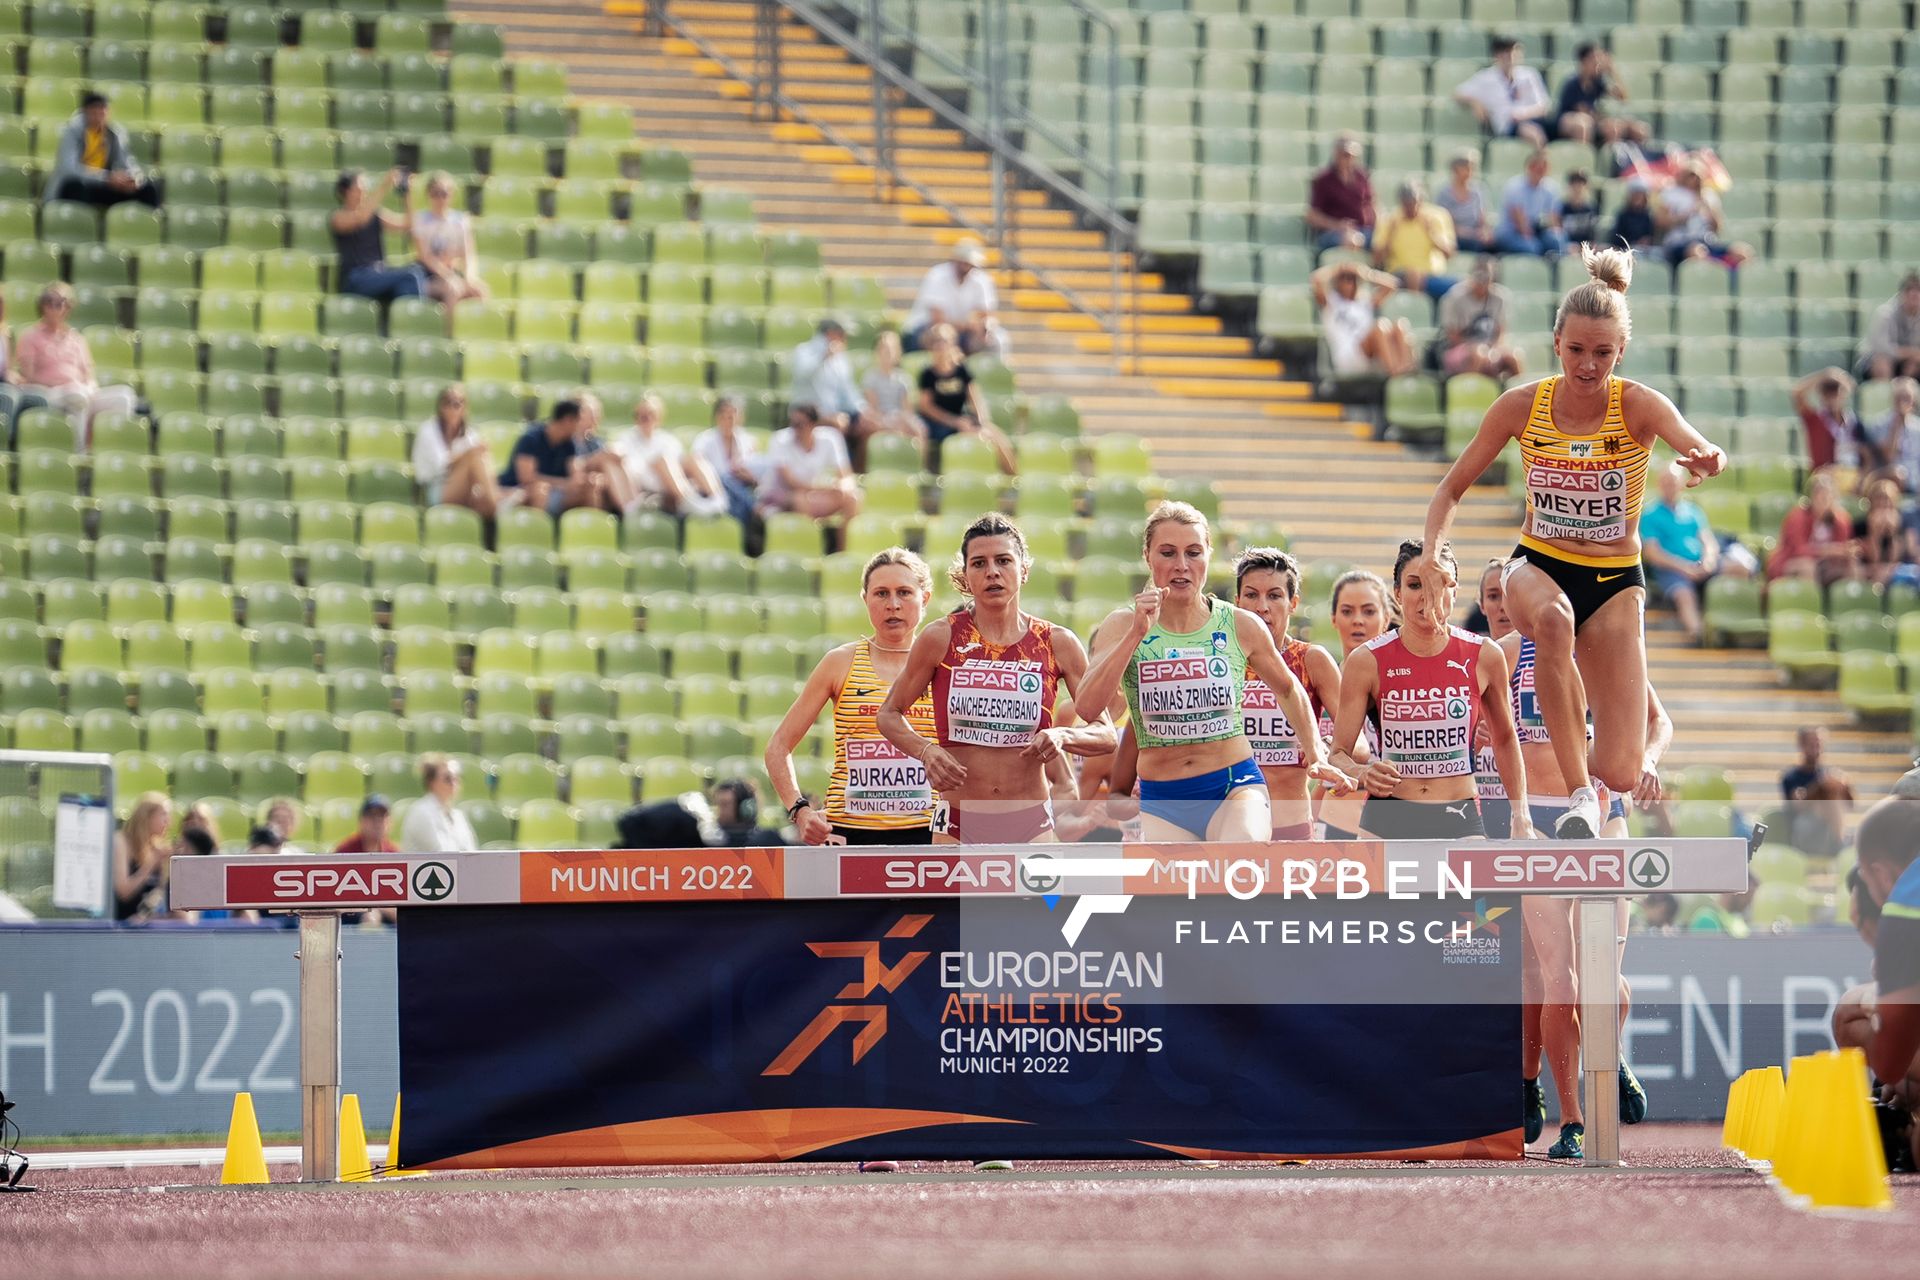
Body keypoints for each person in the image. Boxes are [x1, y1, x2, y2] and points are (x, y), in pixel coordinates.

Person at [1413, 244, 1727, 840]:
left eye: (1603, 353)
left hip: (1613, 583)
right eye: (1577, 350)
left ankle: (1599, 782)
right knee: (1553, 622)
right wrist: (1432, 554)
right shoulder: (1521, 406)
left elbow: (1695, 440)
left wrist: (1709, 456)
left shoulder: (1636, 405)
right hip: (1538, 563)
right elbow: (1450, 490)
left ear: (1621, 352)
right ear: (1556, 342)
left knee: (1625, 769)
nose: (1588, 365)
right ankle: (1580, 793)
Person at [1497, 623, 1671, 1158]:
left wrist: (1647, 759)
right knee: (1560, 980)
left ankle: (1610, 1055)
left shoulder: (1608, 649)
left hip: (1604, 815)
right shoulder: (1505, 652)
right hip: (1539, 822)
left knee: (1607, 979)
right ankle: (1572, 1118)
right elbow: (1483, 726)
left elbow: (1658, 720)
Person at [1076, 503, 1349, 843]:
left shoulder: (1240, 624)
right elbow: (1088, 708)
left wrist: (1315, 753)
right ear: (1147, 555)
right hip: (1163, 798)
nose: (1181, 566)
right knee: (1183, 892)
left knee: (1241, 855)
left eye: (1193, 553)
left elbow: (1288, 689)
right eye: (1167, 553)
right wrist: (1135, 634)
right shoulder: (1120, 625)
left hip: (1234, 785)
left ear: (1208, 555)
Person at [878, 514, 1112, 844]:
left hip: (1032, 824)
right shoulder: (941, 637)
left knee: (1049, 898)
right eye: (979, 563)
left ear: (1024, 569)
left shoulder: (1057, 642)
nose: (992, 572)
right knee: (947, 899)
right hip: (957, 824)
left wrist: (1062, 736)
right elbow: (888, 714)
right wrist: (926, 751)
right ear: (965, 575)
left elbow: (1105, 733)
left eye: (1003, 560)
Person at [1329, 538, 1528, 847]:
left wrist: (1521, 815)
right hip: (1387, 816)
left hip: (1458, 814)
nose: (1429, 595)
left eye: (1440, 583)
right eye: (1415, 585)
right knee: (1383, 897)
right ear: (1397, 593)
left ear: (1455, 590)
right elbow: (1338, 754)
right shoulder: (1366, 661)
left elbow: (1505, 739)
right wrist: (1362, 773)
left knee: (1461, 895)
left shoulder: (1485, 655)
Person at [767, 548, 938, 845]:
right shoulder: (840, 662)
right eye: (881, 594)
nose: (893, 605)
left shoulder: (943, 665)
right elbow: (778, 747)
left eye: (905, 593)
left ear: (925, 598)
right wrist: (800, 810)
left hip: (929, 832)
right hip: (849, 833)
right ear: (865, 599)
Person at [1234, 548, 1342, 840]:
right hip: (1228, 827)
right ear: (1237, 602)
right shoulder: (1220, 662)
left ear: (1293, 603)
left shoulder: (1311, 660)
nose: (1262, 606)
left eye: (1274, 595)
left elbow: (1355, 743)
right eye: (1252, 595)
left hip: (1290, 826)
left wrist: (1323, 747)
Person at [1840, 791, 1920, 1167]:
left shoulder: (1905, 903)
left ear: (1881, 874)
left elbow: (1890, 1062)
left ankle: (1905, 1126)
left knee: (1851, 1009)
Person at [1316, 570, 1393, 841]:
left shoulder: (1402, 688)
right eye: (1347, 611)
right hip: (1330, 826)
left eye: (1369, 611)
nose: (1358, 620)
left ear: (1387, 617)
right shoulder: (1320, 682)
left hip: (1384, 826)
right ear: (1333, 618)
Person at [12, 282, 137, 447]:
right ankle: (79, 452)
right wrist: (68, 385)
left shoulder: (76, 338)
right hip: (49, 393)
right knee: (76, 394)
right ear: (43, 305)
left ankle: (111, 449)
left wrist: (90, 387)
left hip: (80, 392)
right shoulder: (30, 336)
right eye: (52, 302)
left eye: (64, 302)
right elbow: (29, 376)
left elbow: (88, 374)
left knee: (124, 396)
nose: (59, 307)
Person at [1641, 461, 1752, 642]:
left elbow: (1708, 540)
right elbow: (1653, 553)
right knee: (1684, 595)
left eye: (1674, 482)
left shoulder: (1693, 511)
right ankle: (1698, 635)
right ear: (1659, 484)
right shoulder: (1650, 514)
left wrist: (1709, 561)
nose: (1670, 486)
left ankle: (1737, 624)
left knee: (1741, 568)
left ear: (1681, 484)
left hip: (1699, 565)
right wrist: (1684, 568)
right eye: (1666, 482)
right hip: (1672, 570)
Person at [916, 323, 1015, 474]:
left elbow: (974, 397)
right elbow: (926, 407)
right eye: (936, 342)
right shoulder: (928, 374)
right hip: (939, 424)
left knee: (996, 435)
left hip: (959, 419)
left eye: (943, 341)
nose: (940, 346)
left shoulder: (961, 370)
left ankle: (1014, 477)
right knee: (979, 436)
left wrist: (981, 421)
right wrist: (954, 422)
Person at [498, 399, 618, 517]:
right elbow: (527, 478)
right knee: (540, 490)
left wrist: (587, 480)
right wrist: (564, 484)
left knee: (589, 489)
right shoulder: (531, 438)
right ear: (568, 420)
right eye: (578, 420)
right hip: (519, 490)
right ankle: (537, 532)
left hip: (556, 493)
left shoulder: (570, 443)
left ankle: (588, 532)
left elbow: (575, 473)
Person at [614, 392, 726, 517]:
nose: (647, 419)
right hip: (648, 490)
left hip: (675, 486)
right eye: (642, 415)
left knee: (693, 458)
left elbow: (680, 467)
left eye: (651, 415)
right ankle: (689, 504)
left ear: (659, 417)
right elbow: (632, 471)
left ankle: (718, 500)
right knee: (662, 462)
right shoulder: (626, 439)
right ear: (636, 417)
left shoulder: (668, 440)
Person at [44, 92, 160, 209]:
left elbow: (127, 163)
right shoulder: (72, 131)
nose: (99, 115)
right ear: (85, 112)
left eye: (102, 110)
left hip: (103, 185)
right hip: (81, 184)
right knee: (75, 188)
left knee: (147, 189)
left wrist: (134, 177)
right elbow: (69, 169)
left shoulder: (115, 133)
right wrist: (107, 177)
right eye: (94, 110)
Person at [330, 168, 425, 304]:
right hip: (355, 278)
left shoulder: (374, 215)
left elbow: (408, 224)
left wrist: (407, 194)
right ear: (346, 191)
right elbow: (361, 218)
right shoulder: (338, 217)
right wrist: (385, 184)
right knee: (409, 275)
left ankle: (403, 322)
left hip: (378, 274)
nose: (364, 192)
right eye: (359, 189)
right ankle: (412, 322)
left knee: (411, 278)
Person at [412, 385, 506, 519]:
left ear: (465, 408)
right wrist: (468, 454)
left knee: (480, 457)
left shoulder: (470, 433)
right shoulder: (428, 431)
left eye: (458, 403)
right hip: (436, 488)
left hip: (468, 489)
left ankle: (496, 504)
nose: (452, 407)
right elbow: (441, 466)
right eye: (447, 403)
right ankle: (498, 503)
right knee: (475, 455)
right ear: (440, 407)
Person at [759, 403, 861, 521]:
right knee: (800, 501)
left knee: (852, 497)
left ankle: (844, 540)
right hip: (778, 496)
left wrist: (844, 487)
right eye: (792, 423)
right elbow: (792, 483)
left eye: (799, 424)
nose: (794, 428)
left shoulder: (830, 438)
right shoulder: (780, 440)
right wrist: (826, 488)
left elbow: (845, 475)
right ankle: (806, 539)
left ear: (813, 424)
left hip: (809, 493)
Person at [1311, 262, 1413, 379]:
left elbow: (1393, 285)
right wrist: (1339, 268)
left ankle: (1406, 369)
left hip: (1370, 353)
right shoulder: (1331, 302)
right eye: (1344, 279)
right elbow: (1316, 279)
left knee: (1399, 325)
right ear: (1337, 282)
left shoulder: (1364, 302)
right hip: (1348, 356)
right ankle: (1395, 374)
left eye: (1352, 279)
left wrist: (1367, 274)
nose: (1349, 283)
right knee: (1379, 327)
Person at [904, 238, 1002, 355]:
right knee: (942, 337)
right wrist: (972, 326)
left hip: (958, 331)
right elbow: (937, 321)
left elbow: (987, 315)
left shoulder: (980, 280)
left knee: (997, 339)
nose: (966, 266)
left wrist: (985, 328)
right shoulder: (938, 276)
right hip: (924, 328)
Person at [1454, 37, 1552, 147]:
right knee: (1531, 133)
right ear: (1496, 55)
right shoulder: (1486, 78)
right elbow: (1458, 93)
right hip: (1508, 127)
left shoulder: (1530, 74)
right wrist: (1475, 102)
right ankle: (1543, 160)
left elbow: (1543, 106)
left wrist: (1522, 114)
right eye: (1505, 52)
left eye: (1514, 51)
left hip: (1535, 121)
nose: (1510, 56)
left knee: (1568, 125)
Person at [410, 171, 487, 309]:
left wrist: (470, 277)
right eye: (435, 193)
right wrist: (448, 275)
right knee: (452, 290)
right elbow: (424, 256)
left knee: (480, 290)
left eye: (444, 193)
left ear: (451, 195)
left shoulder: (461, 221)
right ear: (428, 195)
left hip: (453, 273)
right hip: (429, 277)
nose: (440, 199)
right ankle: (451, 331)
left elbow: (468, 254)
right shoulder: (420, 220)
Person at [1768, 470, 1859, 586]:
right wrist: (1828, 551)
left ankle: (1848, 601)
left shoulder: (1841, 520)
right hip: (1790, 562)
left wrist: (1848, 552)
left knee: (1852, 565)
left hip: (1825, 565)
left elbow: (1842, 548)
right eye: (1820, 495)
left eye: (1828, 496)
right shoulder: (1797, 517)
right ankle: (1810, 602)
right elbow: (1798, 550)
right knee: (1808, 566)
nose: (1824, 500)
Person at [1437, 260, 1524, 380]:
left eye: (1486, 277)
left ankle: (1521, 396)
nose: (1481, 282)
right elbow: (1452, 337)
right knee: (1478, 354)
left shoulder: (1500, 298)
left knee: (1513, 357)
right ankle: (1469, 392)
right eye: (1478, 276)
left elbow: (1501, 333)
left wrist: (1492, 351)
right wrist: (1482, 350)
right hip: (1458, 349)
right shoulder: (1454, 297)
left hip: (1490, 348)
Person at [1372, 180, 1456, 303]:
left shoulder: (1437, 216)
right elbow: (1377, 259)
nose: (1411, 208)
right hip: (1398, 275)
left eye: (1414, 203)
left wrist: (1432, 234)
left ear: (1421, 201)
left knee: (1461, 288)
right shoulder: (1390, 220)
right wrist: (1391, 235)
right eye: (1407, 204)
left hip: (1431, 276)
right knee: (1412, 274)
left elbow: (1449, 254)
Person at [1780, 726, 1855, 859]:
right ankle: (1842, 844)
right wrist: (1819, 787)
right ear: (1801, 745)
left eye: (1818, 744)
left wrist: (1842, 785)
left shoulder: (1828, 774)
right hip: (1804, 832)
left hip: (1827, 832)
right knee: (1827, 799)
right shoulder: (1791, 776)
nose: (1816, 749)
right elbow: (1798, 806)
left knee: (1832, 797)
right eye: (1811, 744)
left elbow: (1850, 805)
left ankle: (1841, 842)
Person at [1657, 164, 1751, 268]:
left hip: (1707, 241)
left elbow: (1718, 227)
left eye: (1697, 176)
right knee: (1696, 252)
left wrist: (1708, 209)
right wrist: (1686, 215)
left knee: (1742, 253)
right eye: (1691, 176)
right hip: (1680, 241)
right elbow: (1661, 222)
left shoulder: (1709, 196)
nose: (1694, 180)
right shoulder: (1672, 194)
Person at [1553, 43, 1648, 146]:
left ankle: (1626, 159)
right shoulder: (1573, 83)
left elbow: (1623, 98)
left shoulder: (1598, 82)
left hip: (1592, 120)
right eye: (1594, 58)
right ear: (1583, 61)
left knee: (1634, 128)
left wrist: (1613, 72)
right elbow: (1584, 111)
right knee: (1594, 126)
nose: (1598, 62)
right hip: (1569, 122)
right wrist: (1605, 121)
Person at [692, 395, 762, 526]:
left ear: (741, 417)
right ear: (717, 417)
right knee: (723, 478)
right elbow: (699, 471)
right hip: (713, 490)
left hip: (740, 489)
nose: (730, 420)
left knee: (734, 494)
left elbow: (756, 475)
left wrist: (750, 477)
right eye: (725, 415)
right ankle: (752, 507)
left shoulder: (749, 441)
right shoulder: (704, 441)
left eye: (734, 415)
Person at [788, 319, 864, 434]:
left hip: (836, 413)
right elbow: (803, 374)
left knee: (866, 426)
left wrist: (862, 411)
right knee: (839, 424)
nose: (844, 339)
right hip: (807, 413)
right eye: (841, 335)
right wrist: (824, 356)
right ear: (830, 333)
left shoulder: (841, 359)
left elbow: (848, 392)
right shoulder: (803, 351)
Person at [859, 330, 924, 465]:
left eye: (891, 350)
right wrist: (886, 423)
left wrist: (900, 421)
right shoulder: (870, 377)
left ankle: (919, 467)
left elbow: (907, 409)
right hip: (879, 418)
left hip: (899, 418)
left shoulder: (904, 379)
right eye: (883, 349)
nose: (887, 353)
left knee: (919, 429)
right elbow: (872, 406)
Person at [1305, 133, 1376, 251]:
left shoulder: (1362, 177)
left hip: (1363, 231)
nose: (1349, 159)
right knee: (1348, 241)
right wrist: (1337, 225)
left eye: (1352, 155)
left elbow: (1372, 204)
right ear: (1336, 154)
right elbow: (1312, 215)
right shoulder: (1324, 179)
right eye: (1345, 155)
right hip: (1333, 233)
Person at [112, 791, 173, 922]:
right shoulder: (121, 841)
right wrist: (150, 864)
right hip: (120, 925)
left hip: (144, 925)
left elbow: (158, 895)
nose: (169, 822)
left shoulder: (158, 847)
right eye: (164, 815)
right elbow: (123, 892)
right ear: (147, 816)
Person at [1792, 366, 1866, 473]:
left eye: (1836, 390)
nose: (1832, 396)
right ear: (1821, 395)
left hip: (1851, 475)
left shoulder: (1854, 423)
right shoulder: (1815, 420)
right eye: (1827, 391)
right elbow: (1797, 393)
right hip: (1825, 477)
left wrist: (1840, 378)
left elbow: (1853, 385)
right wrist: (1823, 375)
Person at [400, 755, 479, 852]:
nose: (454, 782)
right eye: (448, 778)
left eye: (457, 777)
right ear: (431, 782)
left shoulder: (458, 815)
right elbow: (440, 853)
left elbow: (471, 850)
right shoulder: (421, 812)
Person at [1496, 149, 1566, 257]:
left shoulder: (1551, 188)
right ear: (1529, 167)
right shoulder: (1514, 187)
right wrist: (1535, 239)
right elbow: (1521, 224)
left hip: (1536, 231)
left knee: (1556, 240)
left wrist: (1555, 233)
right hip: (1511, 233)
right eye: (1537, 166)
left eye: (1544, 166)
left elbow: (1554, 219)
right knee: (1532, 247)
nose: (1541, 170)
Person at [0, 296, 49, 441]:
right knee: (8, 396)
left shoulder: (6, 334)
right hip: (4, 389)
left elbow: (7, 369)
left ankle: (27, 446)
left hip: (4, 384)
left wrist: (13, 376)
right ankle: (4, 444)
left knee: (39, 397)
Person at [1859, 273, 1920, 382]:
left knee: (1915, 364)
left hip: (1908, 361)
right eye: (1909, 289)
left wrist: (1914, 358)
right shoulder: (1884, 313)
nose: (1914, 294)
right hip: (1875, 361)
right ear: (1901, 293)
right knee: (1882, 363)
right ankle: (1884, 397)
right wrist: (1911, 353)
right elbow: (1882, 348)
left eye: (1918, 290)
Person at [1862, 377, 1920, 488]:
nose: (1902, 402)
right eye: (1899, 398)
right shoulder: (1879, 424)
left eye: (1907, 398)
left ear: (1914, 401)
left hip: (1915, 481)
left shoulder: (1918, 427)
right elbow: (1889, 457)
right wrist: (1896, 427)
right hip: (1890, 478)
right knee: (1897, 474)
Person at [1435, 149, 1496, 256]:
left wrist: (1485, 232)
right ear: (1455, 169)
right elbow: (1446, 224)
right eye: (1466, 167)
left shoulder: (1478, 191)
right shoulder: (1444, 194)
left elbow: (1483, 218)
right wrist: (1470, 234)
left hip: (1475, 236)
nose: (1470, 171)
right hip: (1455, 236)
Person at [1860, 476, 1910, 586]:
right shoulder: (1862, 525)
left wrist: (1893, 533)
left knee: (1885, 572)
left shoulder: (1902, 524)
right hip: (1868, 569)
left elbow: (1895, 559)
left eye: (1887, 501)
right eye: (1879, 501)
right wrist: (1875, 533)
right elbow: (1874, 559)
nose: (1883, 505)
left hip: (1892, 569)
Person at [334, 795, 399, 854]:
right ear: (361, 821)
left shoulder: (393, 852)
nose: (377, 821)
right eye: (371, 816)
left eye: (382, 816)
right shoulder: (345, 852)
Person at [1608, 179, 1659, 254]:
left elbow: (1650, 235)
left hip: (1644, 250)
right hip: (1625, 250)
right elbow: (1617, 238)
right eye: (1635, 194)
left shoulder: (1648, 215)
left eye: (1640, 195)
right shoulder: (1622, 215)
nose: (1638, 198)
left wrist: (1646, 241)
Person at [1558, 169, 1603, 247]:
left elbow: (1593, 235)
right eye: (1574, 183)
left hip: (1586, 248)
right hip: (1566, 248)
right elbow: (1559, 233)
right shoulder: (1562, 208)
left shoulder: (1591, 208)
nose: (1577, 187)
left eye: (1581, 183)